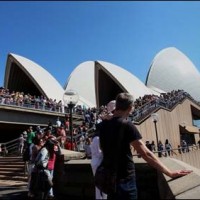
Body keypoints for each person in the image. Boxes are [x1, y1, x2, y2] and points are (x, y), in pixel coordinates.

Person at [98, 92, 192, 200]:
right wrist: (169, 172)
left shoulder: (103, 125)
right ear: (130, 107)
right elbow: (145, 153)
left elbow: (102, 147)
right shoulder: (127, 125)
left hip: (109, 181)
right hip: (125, 181)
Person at [90, 100, 116, 199]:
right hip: (101, 164)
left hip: (96, 163)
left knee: (99, 188)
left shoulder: (95, 138)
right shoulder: (98, 138)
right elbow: (102, 152)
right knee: (103, 189)